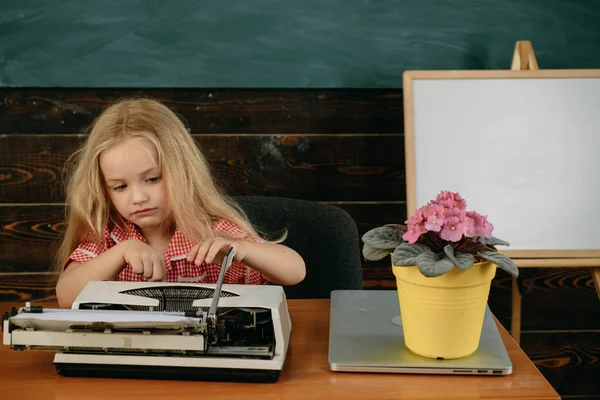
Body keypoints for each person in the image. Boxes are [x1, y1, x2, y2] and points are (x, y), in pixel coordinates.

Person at [54, 98, 306, 308]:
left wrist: (242, 249)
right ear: (103, 189)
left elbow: (295, 271)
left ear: (182, 172)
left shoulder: (209, 231)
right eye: (120, 186)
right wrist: (122, 252)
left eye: (152, 179)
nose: (138, 197)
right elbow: (66, 297)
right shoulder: (108, 237)